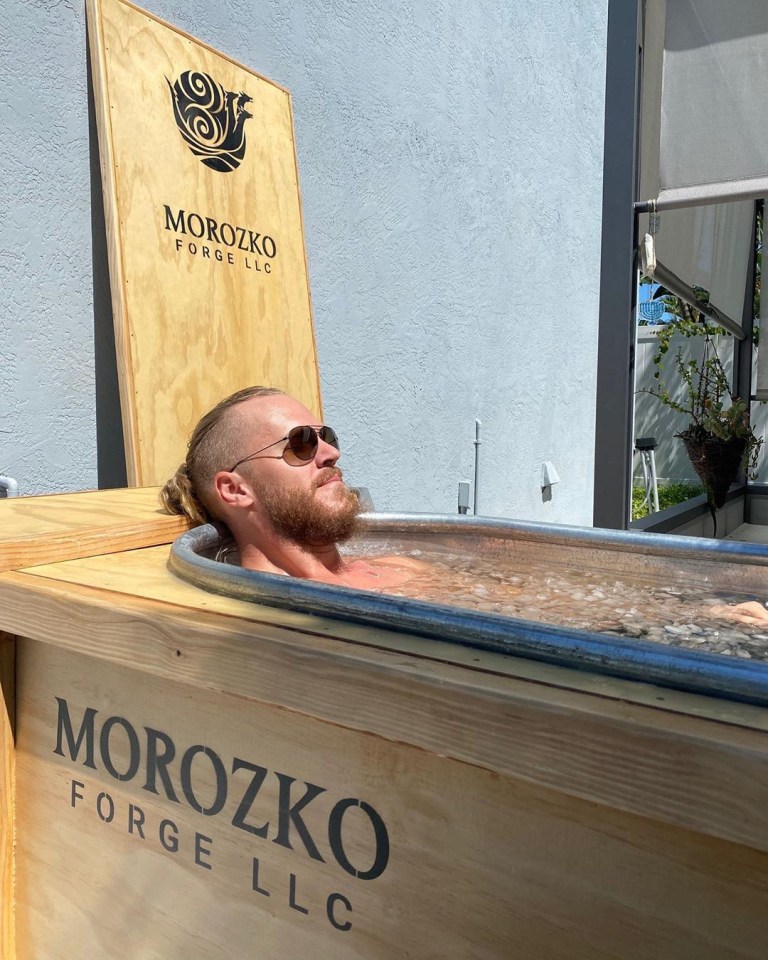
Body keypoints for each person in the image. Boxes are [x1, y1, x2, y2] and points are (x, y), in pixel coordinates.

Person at [161, 385, 422, 589]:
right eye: (301, 443)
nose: (331, 453)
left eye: (327, 437)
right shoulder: (267, 617)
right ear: (235, 490)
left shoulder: (404, 568)